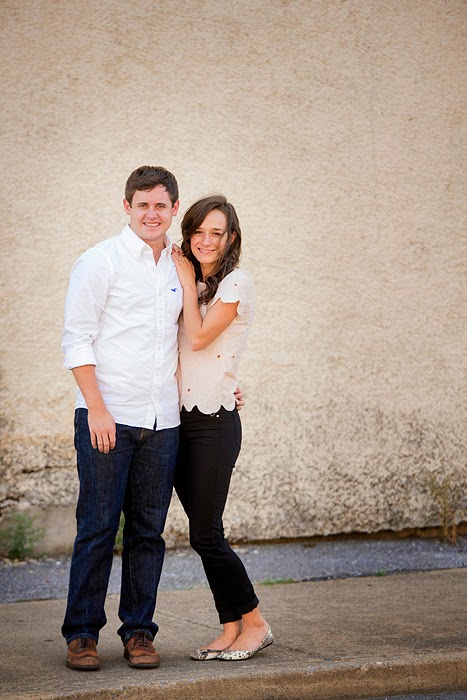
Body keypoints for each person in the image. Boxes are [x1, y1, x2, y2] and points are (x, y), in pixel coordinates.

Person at [61, 165, 182, 671]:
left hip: (163, 422)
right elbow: (77, 339)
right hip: (107, 420)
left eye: (161, 205)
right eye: (142, 204)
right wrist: (97, 409)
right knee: (97, 527)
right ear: (127, 207)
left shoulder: (180, 267)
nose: (151, 213)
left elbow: (188, 340)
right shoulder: (99, 262)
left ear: (174, 209)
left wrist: (225, 382)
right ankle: (82, 634)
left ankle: (138, 632)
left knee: (148, 532)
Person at [172, 195, 273, 661]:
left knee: (206, 534)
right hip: (177, 421)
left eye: (217, 232)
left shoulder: (236, 282)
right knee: (203, 533)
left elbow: (197, 338)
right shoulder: (192, 282)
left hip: (213, 424)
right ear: (189, 233)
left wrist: (188, 283)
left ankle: (254, 623)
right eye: (199, 232)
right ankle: (229, 625)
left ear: (231, 238)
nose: (206, 241)